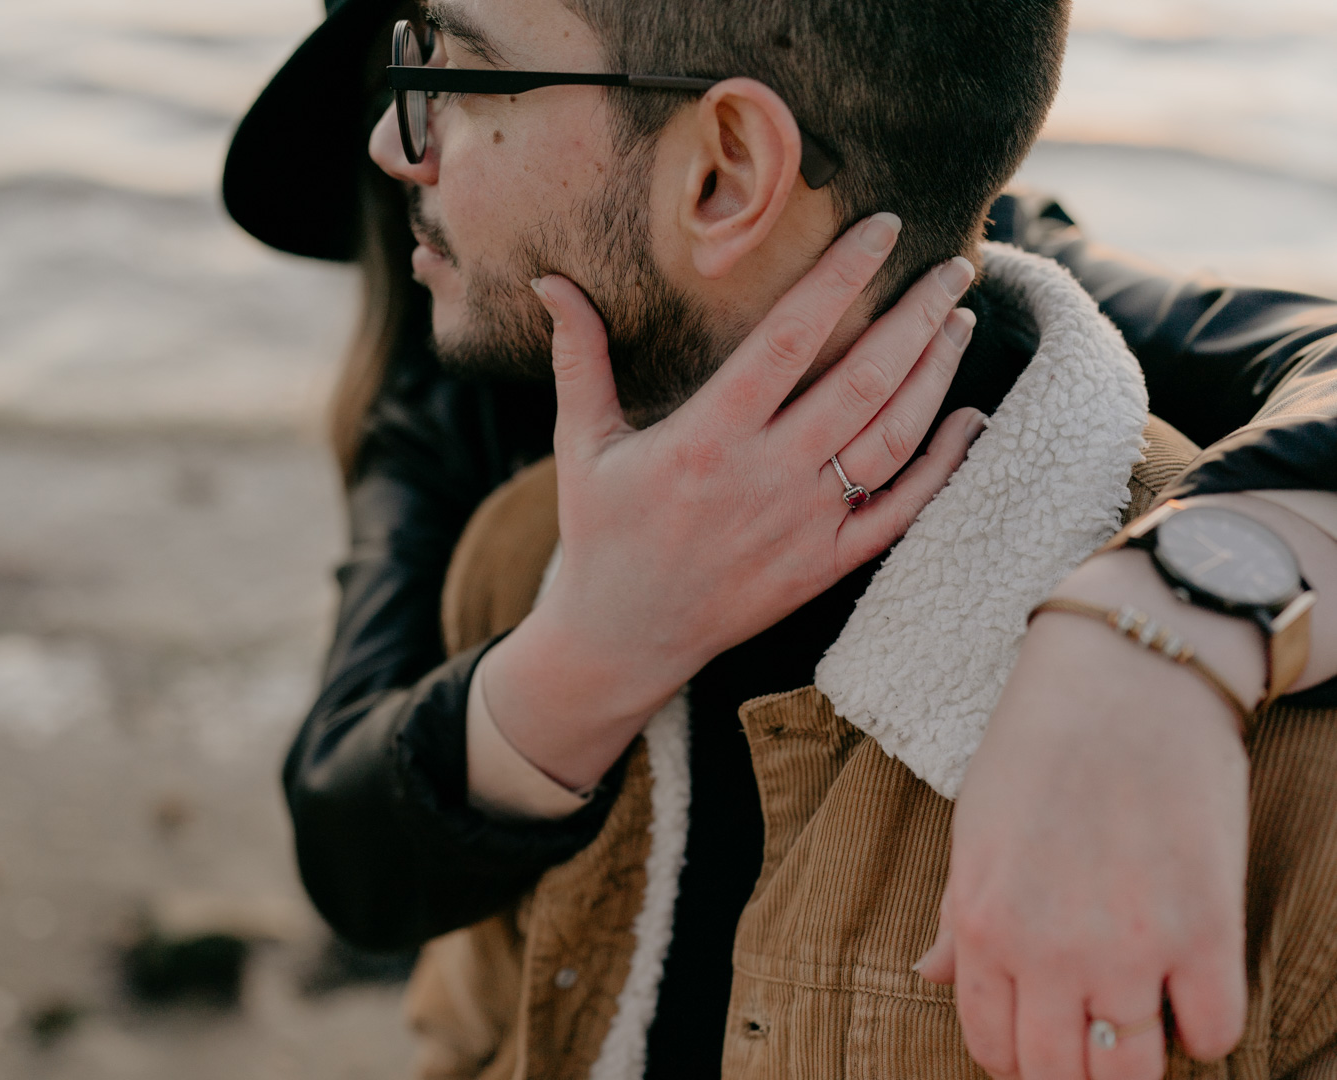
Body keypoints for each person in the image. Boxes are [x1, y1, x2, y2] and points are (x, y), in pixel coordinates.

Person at [223, 0, 1337, 1076]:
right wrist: (594, 649)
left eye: (449, 72)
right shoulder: (483, 479)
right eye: (408, 64)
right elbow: (390, 900)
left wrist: (1154, 633)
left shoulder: (933, 262)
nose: (393, 144)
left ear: (726, 174)